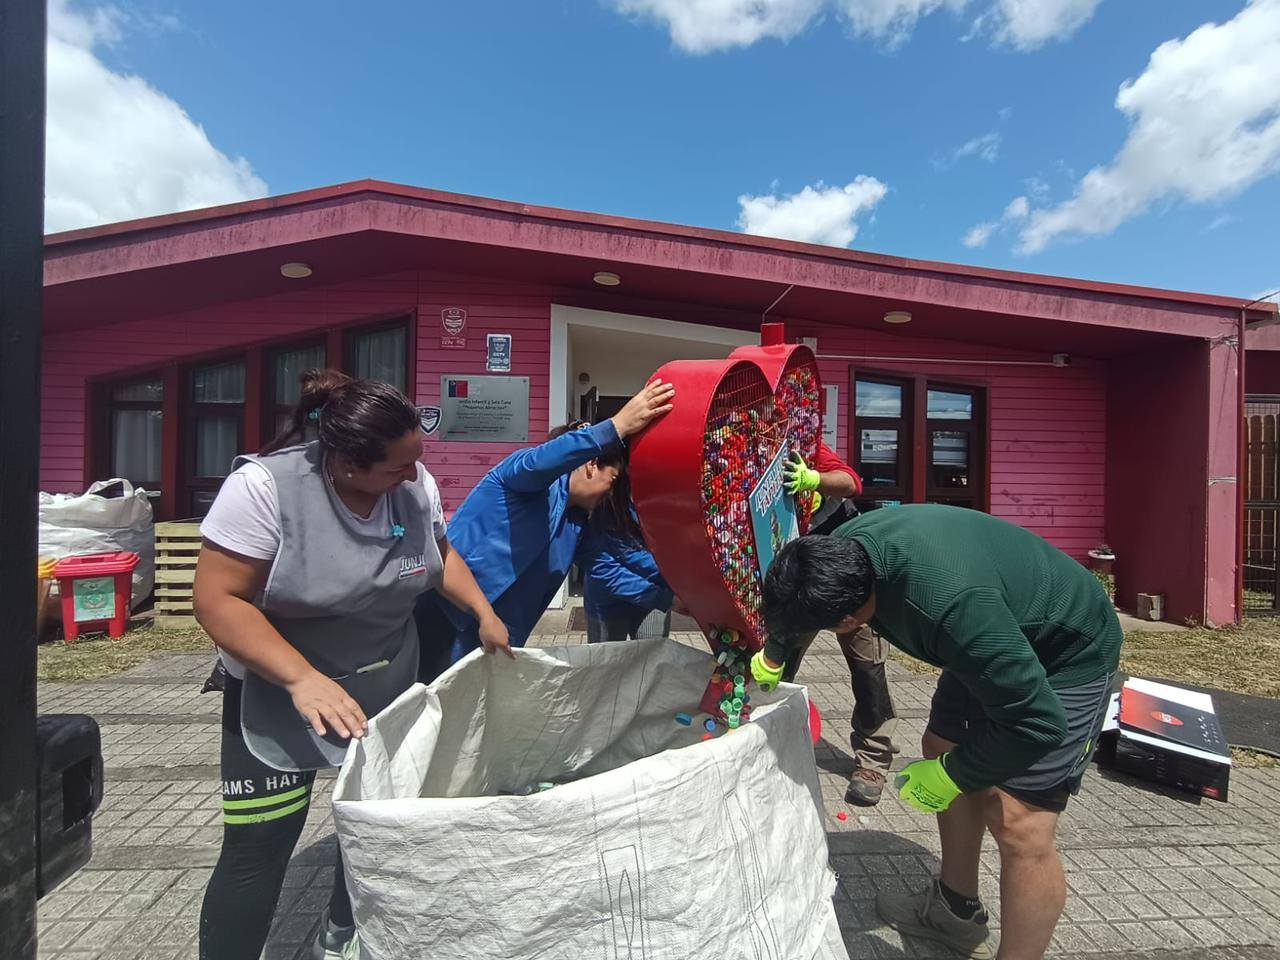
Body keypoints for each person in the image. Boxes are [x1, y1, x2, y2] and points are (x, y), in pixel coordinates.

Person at [193, 370, 509, 960]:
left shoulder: (414, 485)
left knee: (368, 828)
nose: (412, 476)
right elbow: (217, 599)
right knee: (258, 846)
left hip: (384, 684)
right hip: (277, 693)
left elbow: (439, 554)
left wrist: (482, 611)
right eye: (395, 467)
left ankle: (341, 933)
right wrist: (299, 678)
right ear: (342, 462)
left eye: (416, 461)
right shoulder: (265, 489)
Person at [755, 504, 1122, 960]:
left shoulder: (951, 608)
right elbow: (795, 599)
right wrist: (773, 652)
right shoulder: (839, 552)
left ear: (849, 622)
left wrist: (955, 775)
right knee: (940, 746)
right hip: (993, 630)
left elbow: (1039, 724)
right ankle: (955, 911)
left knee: (1018, 821)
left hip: (1066, 651)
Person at [415, 379, 675, 679]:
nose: (610, 493)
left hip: (500, 635)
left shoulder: (576, 525)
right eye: (612, 480)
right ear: (591, 465)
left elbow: (609, 569)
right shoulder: (519, 480)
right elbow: (544, 461)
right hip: (448, 617)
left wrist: (669, 598)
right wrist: (615, 427)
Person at [775, 442, 900, 806]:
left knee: (868, 669)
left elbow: (851, 482)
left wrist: (814, 479)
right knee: (779, 666)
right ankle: (769, 741)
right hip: (798, 580)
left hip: (850, 576)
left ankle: (873, 759)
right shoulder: (742, 457)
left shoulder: (802, 443)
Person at [577, 457, 679, 643]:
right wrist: (667, 596)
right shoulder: (601, 497)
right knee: (607, 668)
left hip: (655, 601)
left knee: (651, 666)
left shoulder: (668, 495)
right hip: (608, 603)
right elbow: (605, 567)